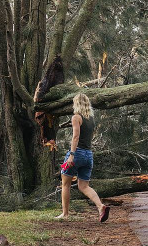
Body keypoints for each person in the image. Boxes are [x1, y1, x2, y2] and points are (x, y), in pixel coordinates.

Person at [56, 93, 110, 222]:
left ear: (76, 104)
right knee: (84, 186)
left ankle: (65, 214)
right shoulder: (91, 118)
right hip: (88, 155)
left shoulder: (76, 117)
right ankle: (100, 206)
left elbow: (76, 137)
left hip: (77, 153)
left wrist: (71, 155)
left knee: (65, 184)